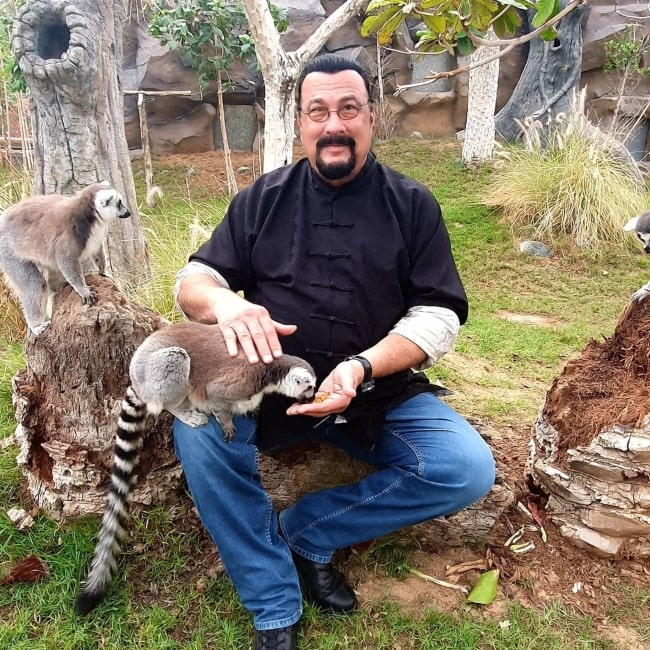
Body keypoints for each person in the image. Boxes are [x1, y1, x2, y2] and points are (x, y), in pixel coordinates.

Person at [173, 53, 495, 650]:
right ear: (300, 123)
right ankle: (273, 602)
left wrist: (362, 366)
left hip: (372, 395)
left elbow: (440, 314)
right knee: (196, 433)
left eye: (349, 109)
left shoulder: (412, 205)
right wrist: (225, 306)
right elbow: (194, 280)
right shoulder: (262, 199)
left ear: (371, 118)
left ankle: (309, 532)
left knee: (467, 469)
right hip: (263, 393)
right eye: (318, 111)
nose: (334, 125)